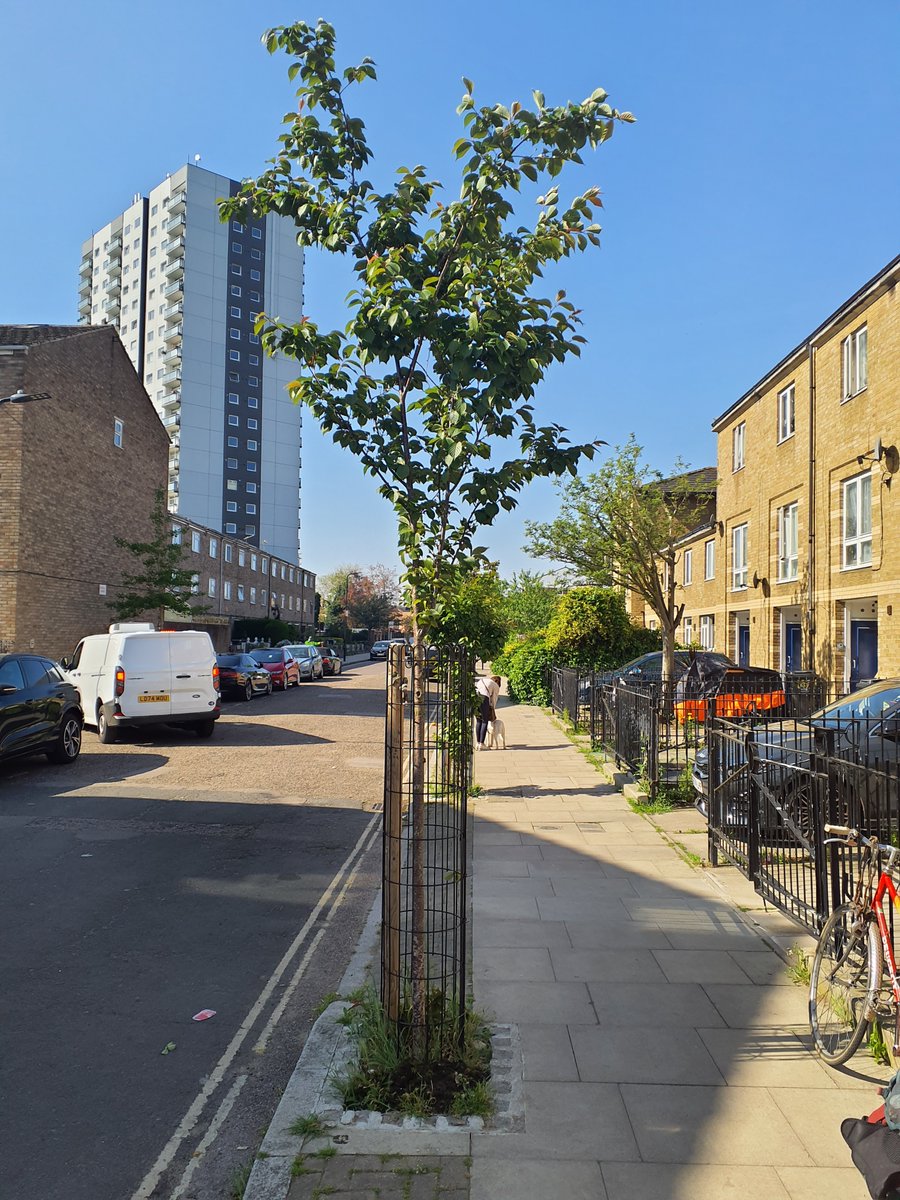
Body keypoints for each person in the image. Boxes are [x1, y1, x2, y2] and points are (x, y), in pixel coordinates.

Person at [475, 673, 500, 750]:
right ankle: (482, 744)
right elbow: (494, 700)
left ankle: (478, 743)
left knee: (479, 721)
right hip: (484, 699)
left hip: (475, 698)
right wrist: (492, 709)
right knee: (484, 721)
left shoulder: (482, 680)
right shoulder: (495, 685)